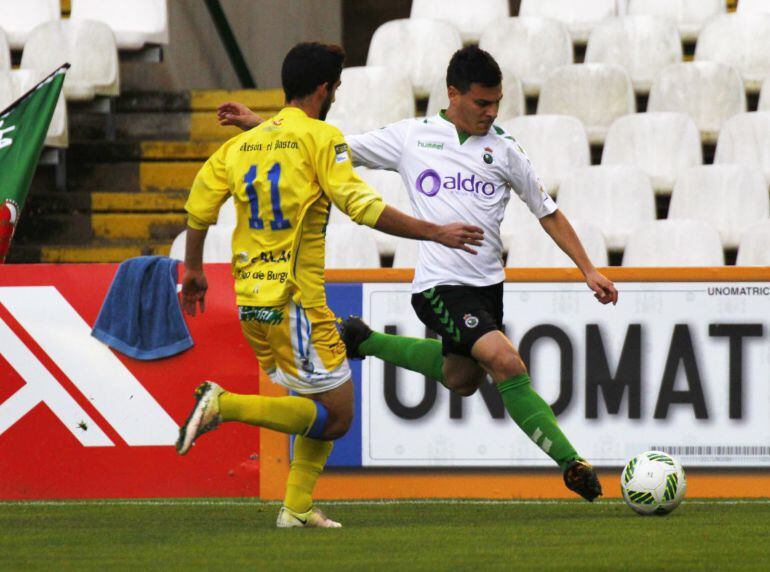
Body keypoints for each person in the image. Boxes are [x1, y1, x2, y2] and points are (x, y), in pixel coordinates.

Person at [216, 46, 618, 501]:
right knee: (506, 362)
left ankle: (363, 341)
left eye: (496, 103)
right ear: (453, 94)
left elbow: (548, 212)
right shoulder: (414, 137)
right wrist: (258, 124)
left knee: (462, 379)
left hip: (488, 286)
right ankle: (572, 464)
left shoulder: (506, 150)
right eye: (482, 103)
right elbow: (333, 144)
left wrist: (589, 270)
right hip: (440, 286)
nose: (491, 112)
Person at [176, 42, 484, 529]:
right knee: (338, 416)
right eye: (336, 87)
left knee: (321, 406)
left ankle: (296, 507)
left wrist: (192, 269)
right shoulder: (322, 137)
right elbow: (361, 205)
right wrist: (434, 230)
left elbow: (198, 207)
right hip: (296, 301)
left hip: (251, 301)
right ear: (324, 89)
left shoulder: (239, 145)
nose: (336, 95)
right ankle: (223, 404)